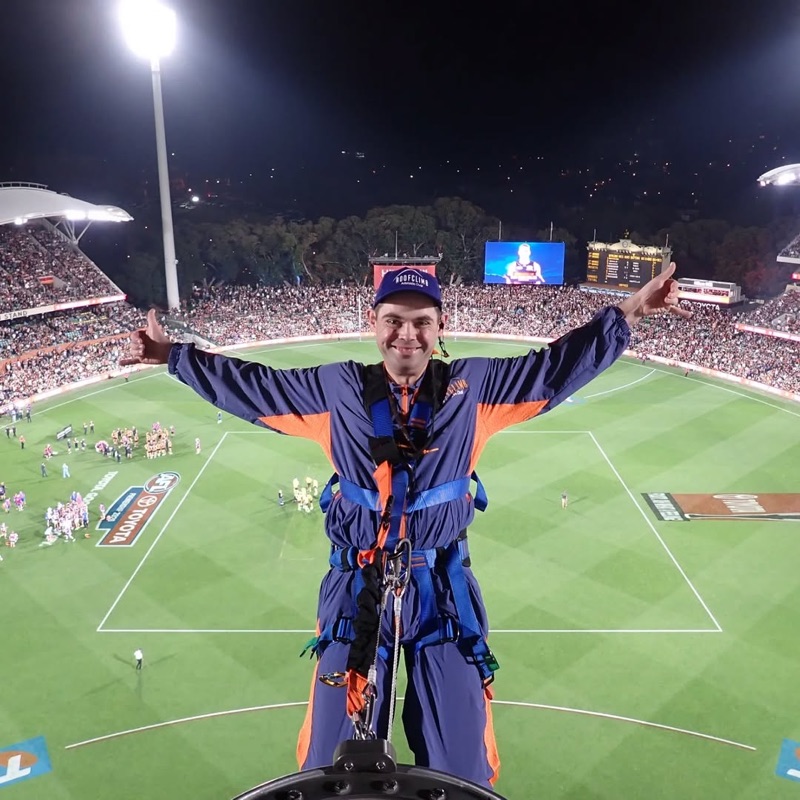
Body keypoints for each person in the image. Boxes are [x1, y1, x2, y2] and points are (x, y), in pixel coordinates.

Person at [120, 265, 687, 788]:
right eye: (393, 321)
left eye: (421, 322)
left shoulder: (475, 388)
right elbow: (252, 386)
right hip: (357, 593)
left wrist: (631, 308)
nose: (407, 335)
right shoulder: (335, 389)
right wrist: (175, 356)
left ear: (442, 326)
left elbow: (557, 367)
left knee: (462, 765)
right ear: (374, 325)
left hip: (442, 593)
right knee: (330, 763)